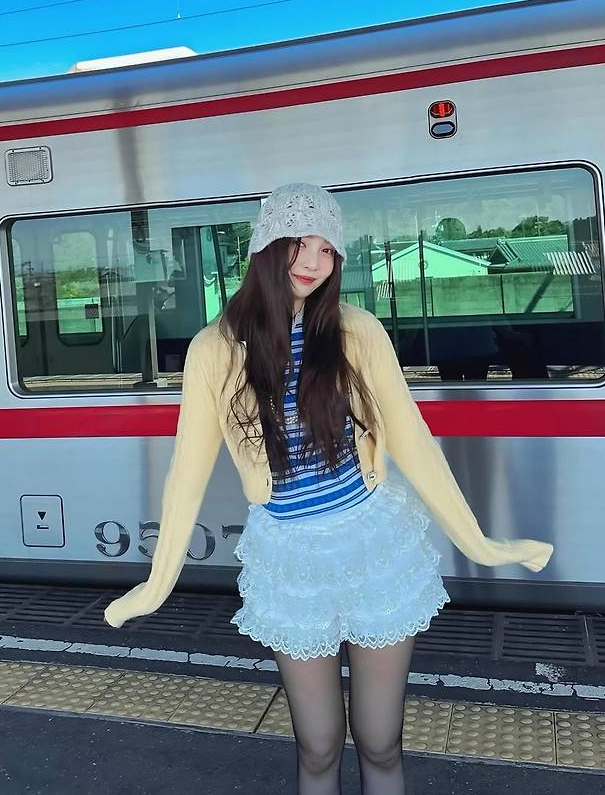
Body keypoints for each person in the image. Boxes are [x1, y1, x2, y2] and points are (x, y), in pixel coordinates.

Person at [104, 182, 554, 795]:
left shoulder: (356, 331)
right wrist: (157, 585)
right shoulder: (214, 350)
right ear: (267, 246)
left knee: (381, 742)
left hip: (373, 546)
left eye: (326, 249)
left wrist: (480, 544)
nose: (313, 262)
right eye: (299, 243)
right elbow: (187, 473)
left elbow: (412, 440)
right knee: (316, 748)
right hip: (290, 558)